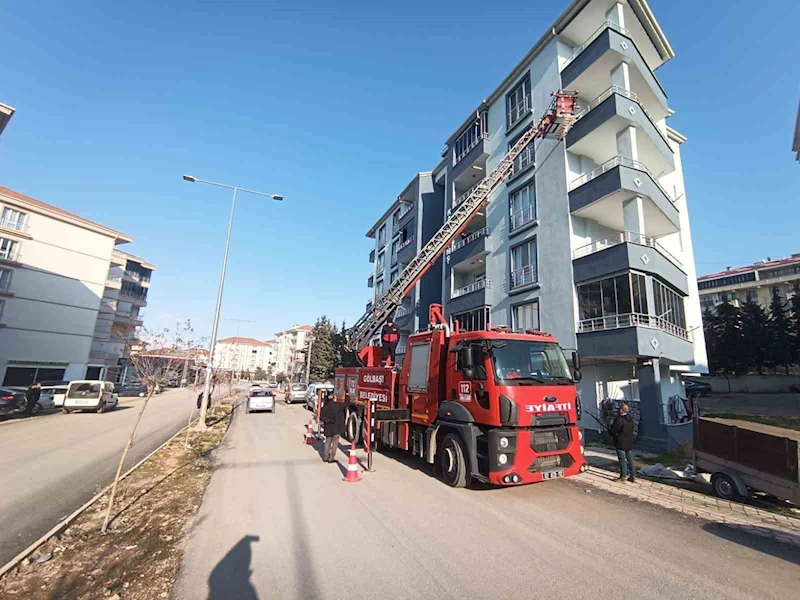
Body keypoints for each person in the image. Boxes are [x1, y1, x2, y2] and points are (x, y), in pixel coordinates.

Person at [610, 404, 636, 483]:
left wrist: (610, 432)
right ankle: (633, 476)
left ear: (621, 410)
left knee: (622, 459)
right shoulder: (630, 419)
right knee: (630, 459)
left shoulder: (619, 419)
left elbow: (614, 430)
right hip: (629, 440)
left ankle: (623, 476)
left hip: (620, 441)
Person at [320, 390, 346, 463]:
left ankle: (325, 457)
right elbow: (346, 404)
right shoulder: (338, 406)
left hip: (328, 427)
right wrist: (347, 393)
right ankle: (331, 458)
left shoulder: (324, 407)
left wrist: (328, 420)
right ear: (334, 397)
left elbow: (321, 417)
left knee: (327, 442)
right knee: (335, 444)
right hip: (336, 428)